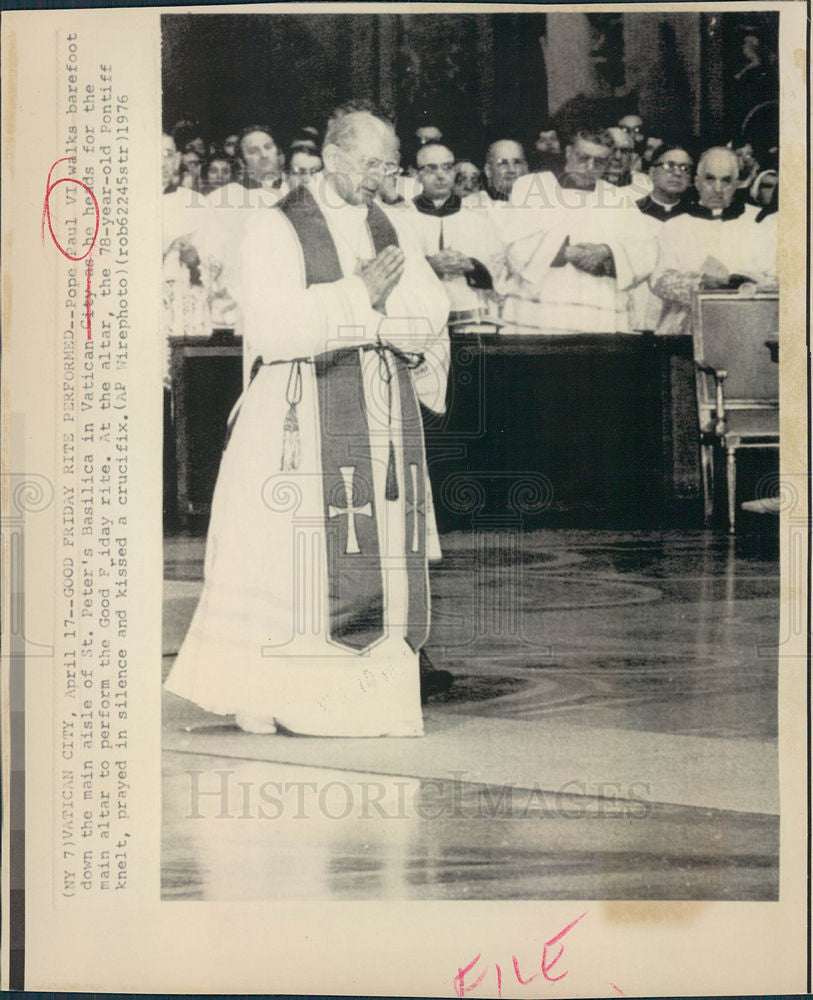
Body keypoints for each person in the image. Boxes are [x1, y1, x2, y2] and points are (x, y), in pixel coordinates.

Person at [164, 104, 451, 737]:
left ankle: (371, 701)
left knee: (375, 553)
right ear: (334, 155)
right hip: (295, 417)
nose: (381, 177)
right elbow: (272, 326)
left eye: (389, 164)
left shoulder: (390, 223)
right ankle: (278, 696)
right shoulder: (276, 228)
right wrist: (360, 298)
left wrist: (385, 322)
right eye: (372, 163)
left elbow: (432, 306)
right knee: (287, 557)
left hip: (377, 413)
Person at [496, 128, 658, 333]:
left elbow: (644, 251)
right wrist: (567, 253)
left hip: (599, 316)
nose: (590, 167)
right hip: (539, 314)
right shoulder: (531, 186)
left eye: (599, 161)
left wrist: (607, 251)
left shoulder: (619, 199)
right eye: (583, 158)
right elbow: (515, 243)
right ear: (568, 152)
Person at [650, 146, 777, 336]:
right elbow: (660, 280)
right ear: (697, 182)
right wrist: (702, 283)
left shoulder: (758, 226)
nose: (718, 189)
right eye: (710, 179)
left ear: (736, 184)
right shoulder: (674, 227)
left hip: (744, 327)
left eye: (726, 180)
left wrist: (746, 284)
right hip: (687, 329)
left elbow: (776, 281)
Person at [410, 142, 503, 325]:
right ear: (418, 175)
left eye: (447, 167)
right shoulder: (403, 217)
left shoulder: (479, 219)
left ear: (454, 172)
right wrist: (428, 265)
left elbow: (499, 273)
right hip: (419, 316)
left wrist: (472, 266)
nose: (440, 175)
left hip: (469, 316)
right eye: (431, 169)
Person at [629, 144, 695, 331]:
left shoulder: (696, 219)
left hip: (678, 317)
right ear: (651, 172)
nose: (677, 173)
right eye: (669, 166)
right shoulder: (630, 212)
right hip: (636, 310)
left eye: (685, 168)